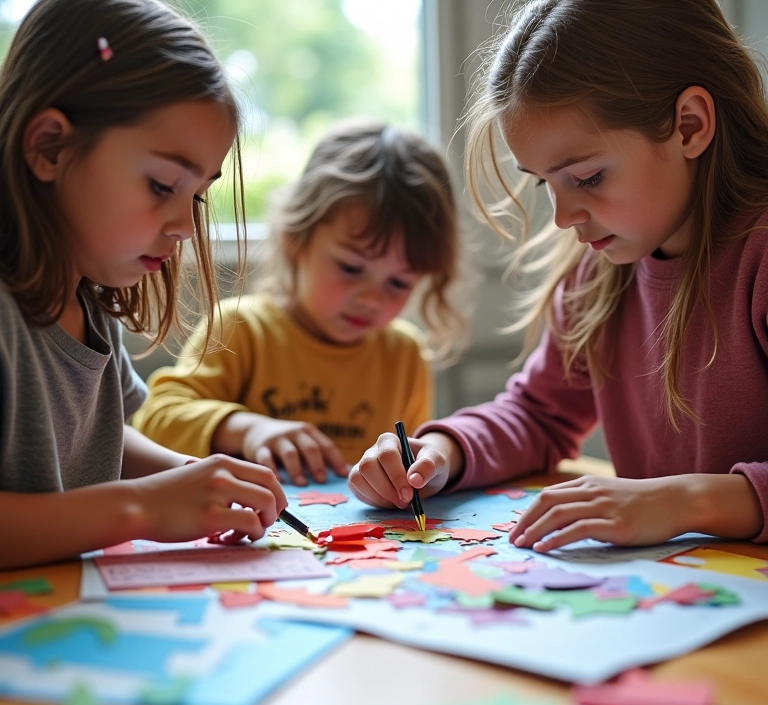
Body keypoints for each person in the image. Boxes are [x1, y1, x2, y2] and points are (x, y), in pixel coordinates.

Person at [348, 0, 768, 552]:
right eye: (544, 182)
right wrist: (441, 453)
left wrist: (686, 502)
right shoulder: (602, 269)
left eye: (588, 177)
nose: (563, 217)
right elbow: (538, 416)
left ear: (689, 125)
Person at [0, 0, 288, 571]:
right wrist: (142, 508)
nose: (185, 226)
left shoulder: (88, 298)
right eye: (162, 185)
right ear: (49, 147)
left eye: (197, 196)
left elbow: (102, 440)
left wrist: (187, 475)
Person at [133, 119, 467, 486]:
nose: (371, 299)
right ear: (295, 237)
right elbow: (155, 420)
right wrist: (247, 429)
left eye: (399, 282)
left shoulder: (404, 355)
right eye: (351, 268)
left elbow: (409, 464)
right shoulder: (241, 329)